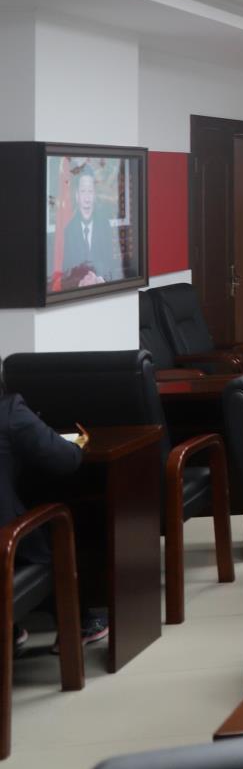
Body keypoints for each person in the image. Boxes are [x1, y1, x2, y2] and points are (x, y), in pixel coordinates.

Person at [1, 359, 108, 649]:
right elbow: (65, 460)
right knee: (47, 539)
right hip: (6, 545)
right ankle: (78, 623)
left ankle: (12, 630)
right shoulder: (9, 410)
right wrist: (76, 446)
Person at [60, 165, 121, 287]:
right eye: (83, 191)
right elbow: (66, 272)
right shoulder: (69, 230)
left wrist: (100, 279)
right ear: (77, 196)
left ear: (94, 195)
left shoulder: (105, 226)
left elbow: (111, 265)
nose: (87, 196)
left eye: (90, 191)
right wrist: (80, 283)